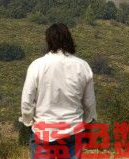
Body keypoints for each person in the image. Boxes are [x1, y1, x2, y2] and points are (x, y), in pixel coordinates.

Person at [20, 23, 97, 159]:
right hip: (73, 131)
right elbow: (89, 103)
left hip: (44, 131)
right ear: (69, 39)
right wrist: (86, 122)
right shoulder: (83, 67)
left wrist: (28, 121)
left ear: (48, 40)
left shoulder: (37, 66)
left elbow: (27, 101)